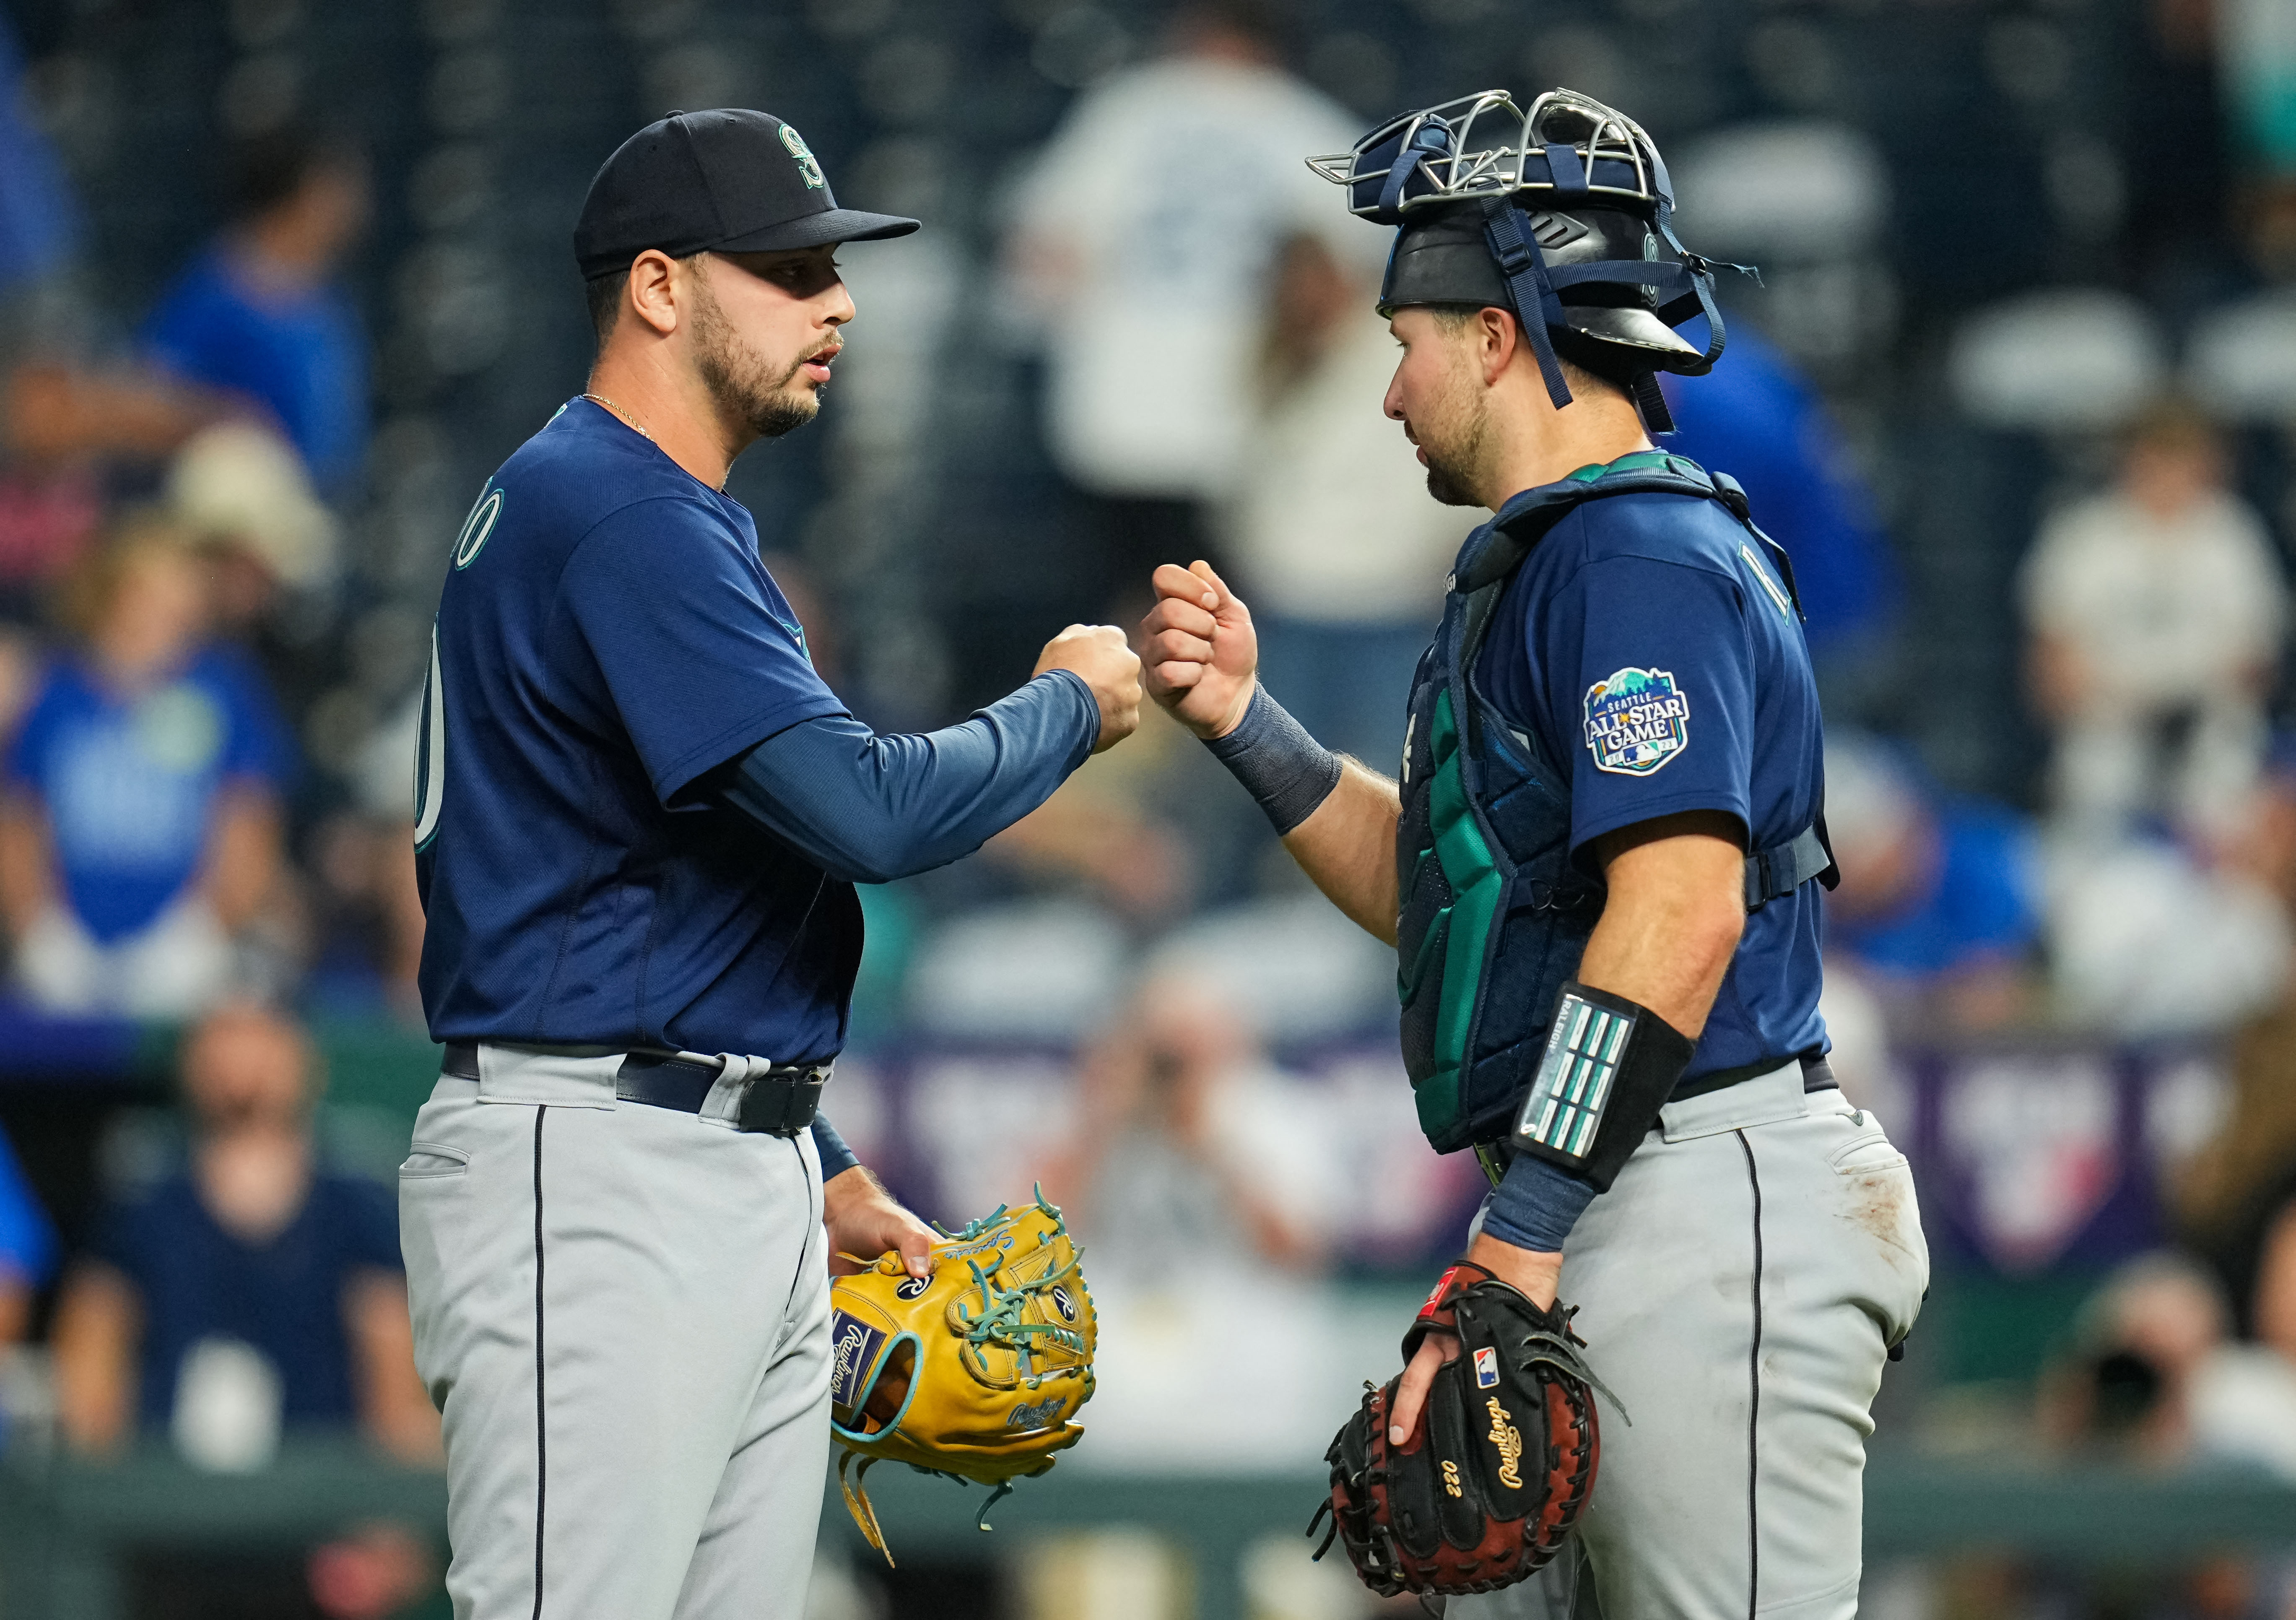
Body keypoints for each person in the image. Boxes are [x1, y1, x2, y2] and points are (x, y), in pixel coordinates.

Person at [1140, 89, 1927, 1616]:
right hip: (1603, 1192)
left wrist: (1518, 1235)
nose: (1388, 393)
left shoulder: (1633, 556)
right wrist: (1249, 722)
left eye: (1405, 342)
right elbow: (1457, 897)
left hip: (1696, 1193)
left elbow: (1679, 913)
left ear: (1494, 334)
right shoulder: (1562, 556)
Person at [400, 109, 1142, 1620]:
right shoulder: (613, 508)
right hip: (597, 1174)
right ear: (660, 288)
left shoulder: (653, 513)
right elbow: (866, 815)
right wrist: (1063, 706)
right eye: (792, 270)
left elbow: (685, 890)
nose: (840, 305)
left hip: (705, 1164)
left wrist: (816, 1162)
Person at [1002, 0, 1366, 616]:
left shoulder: (1129, 108)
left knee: (1131, 614)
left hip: (1115, 412)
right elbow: (1353, 289)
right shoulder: (1310, 124)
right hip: (1244, 425)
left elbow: (1041, 260)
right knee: (1226, 625)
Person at [49, 1005, 436, 1461]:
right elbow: (89, 1383)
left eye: (262, 1041)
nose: (241, 1067)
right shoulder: (137, 1215)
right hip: (166, 1504)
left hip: (322, 1500)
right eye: (224, 1040)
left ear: (306, 1066)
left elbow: (395, 1400)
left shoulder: (358, 1215)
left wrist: (378, 1511)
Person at [0, 518, 292, 1017]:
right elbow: (20, 822)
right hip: (66, 948)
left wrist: (203, 930)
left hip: (189, 950)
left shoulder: (223, 690)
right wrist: (39, 929)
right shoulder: (55, 691)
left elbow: (249, 821)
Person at [1221, 231, 1473, 768]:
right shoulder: (1263, 358)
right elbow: (1242, 482)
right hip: (1287, 608)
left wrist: (1441, 564)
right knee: (1273, 776)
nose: (1304, 291)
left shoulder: (1397, 354)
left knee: (1391, 775)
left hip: (1390, 610)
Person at [2020, 399, 2285, 843]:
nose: (2172, 474)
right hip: (2106, 768)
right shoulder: (2084, 538)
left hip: (2214, 771)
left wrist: (2173, 688)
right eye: (2160, 457)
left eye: (2186, 458)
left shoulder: (2235, 537)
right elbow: (2050, 682)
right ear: (2131, 459)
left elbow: (2256, 668)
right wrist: (2145, 692)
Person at [142, 127, 370, 493]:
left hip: (318, 504)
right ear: (303, 194)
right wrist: (228, 422)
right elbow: (155, 393)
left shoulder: (327, 297)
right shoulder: (217, 288)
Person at [1821, 729, 2040, 1032]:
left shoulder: (1975, 864)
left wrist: (1899, 997)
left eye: (1858, 850)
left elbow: (1994, 996)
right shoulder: (1822, 897)